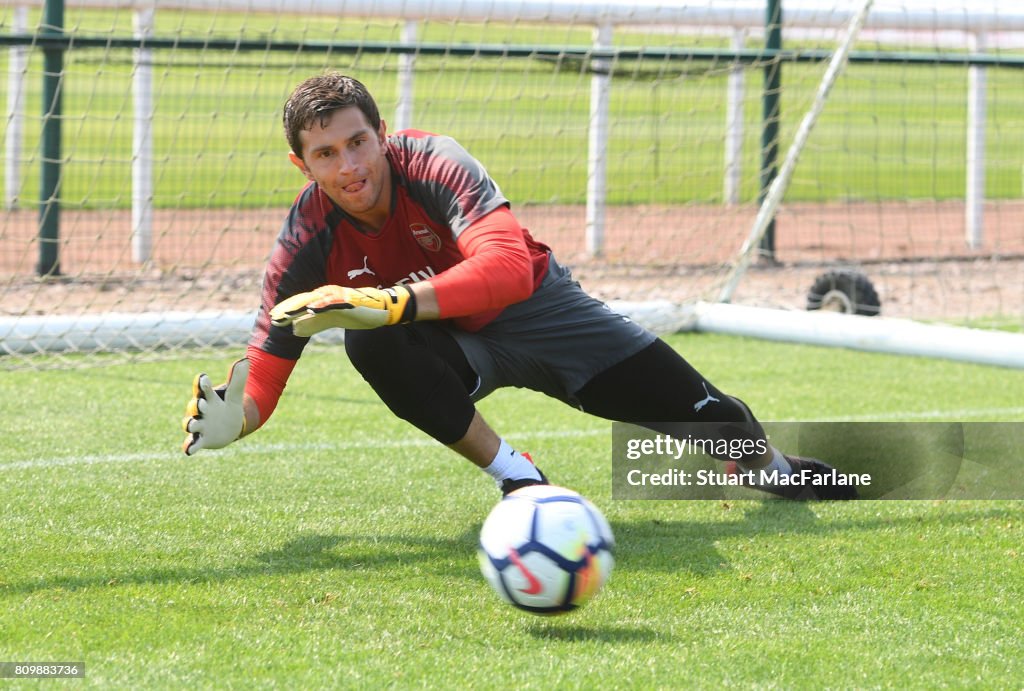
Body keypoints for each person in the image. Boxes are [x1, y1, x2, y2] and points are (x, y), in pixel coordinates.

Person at [181, 73, 856, 501]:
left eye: (358, 142)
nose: (350, 165)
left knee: (714, 420)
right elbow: (268, 367)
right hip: (457, 349)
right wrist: (237, 420)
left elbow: (505, 268)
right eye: (326, 154)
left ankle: (773, 469)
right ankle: (519, 477)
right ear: (302, 164)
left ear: (382, 135)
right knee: (370, 347)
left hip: (541, 311)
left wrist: (392, 303)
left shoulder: (436, 162)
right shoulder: (307, 237)